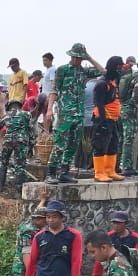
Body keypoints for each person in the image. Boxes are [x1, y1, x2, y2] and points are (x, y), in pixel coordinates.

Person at [47, 44, 103, 183]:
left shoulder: (84, 71)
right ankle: (51, 173)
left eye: (79, 58)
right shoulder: (63, 70)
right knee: (60, 144)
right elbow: (54, 90)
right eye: (75, 57)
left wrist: (89, 57)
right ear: (71, 56)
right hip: (65, 114)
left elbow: (103, 71)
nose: (76, 60)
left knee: (73, 145)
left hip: (79, 115)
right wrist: (49, 109)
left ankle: (64, 172)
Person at [24, 200, 82, 276]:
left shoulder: (73, 235)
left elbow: (76, 261)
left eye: (54, 217)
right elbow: (33, 262)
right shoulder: (39, 236)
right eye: (48, 217)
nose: (50, 220)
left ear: (62, 217)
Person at [91, 56, 125, 181]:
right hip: (103, 119)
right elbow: (98, 103)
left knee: (113, 144)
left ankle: (110, 170)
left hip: (113, 119)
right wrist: (103, 120)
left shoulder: (113, 82)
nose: (120, 70)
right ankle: (99, 173)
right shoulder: (102, 84)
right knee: (100, 145)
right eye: (119, 67)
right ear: (113, 67)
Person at [0, 99, 35, 188]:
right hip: (21, 142)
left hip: (8, 142)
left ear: (9, 107)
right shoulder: (27, 114)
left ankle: (0, 186)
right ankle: (19, 187)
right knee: (20, 165)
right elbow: (31, 131)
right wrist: (31, 145)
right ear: (20, 106)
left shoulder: (6, 116)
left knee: (4, 163)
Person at [13, 205, 46, 276]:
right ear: (38, 219)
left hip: (22, 268)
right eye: (46, 218)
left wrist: (43, 201)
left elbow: (37, 211)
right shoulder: (29, 232)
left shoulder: (28, 223)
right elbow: (26, 254)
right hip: (23, 271)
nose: (48, 221)